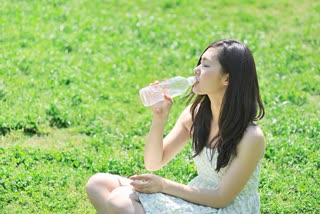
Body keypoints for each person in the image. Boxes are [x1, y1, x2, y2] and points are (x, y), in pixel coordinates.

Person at [85, 39, 265, 214]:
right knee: (98, 184)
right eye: (199, 63)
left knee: (120, 202)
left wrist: (163, 186)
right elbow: (153, 162)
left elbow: (222, 198)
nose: (196, 70)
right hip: (195, 196)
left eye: (206, 65)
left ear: (227, 79)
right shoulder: (195, 115)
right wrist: (159, 117)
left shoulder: (250, 137)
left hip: (227, 208)